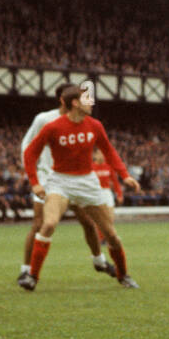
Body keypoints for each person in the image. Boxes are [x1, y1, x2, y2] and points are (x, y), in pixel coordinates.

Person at [20, 84, 142, 290]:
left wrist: (125, 175)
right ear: (75, 103)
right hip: (60, 181)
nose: (91, 103)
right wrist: (35, 183)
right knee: (48, 224)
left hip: (87, 182)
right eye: (87, 99)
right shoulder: (52, 127)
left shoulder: (95, 125)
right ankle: (32, 276)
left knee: (110, 233)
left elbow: (109, 151)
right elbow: (29, 153)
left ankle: (123, 275)